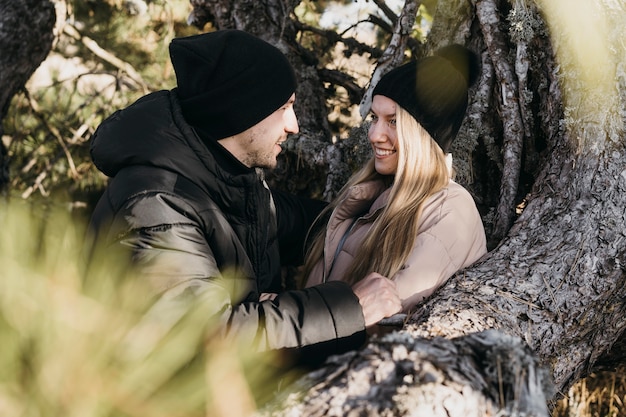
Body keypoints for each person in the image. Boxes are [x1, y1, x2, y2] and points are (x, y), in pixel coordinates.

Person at [87, 30, 401, 358]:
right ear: (242, 111)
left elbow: (321, 225)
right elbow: (206, 338)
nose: (293, 126)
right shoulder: (156, 204)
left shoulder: (231, 182)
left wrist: (388, 200)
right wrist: (352, 309)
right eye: (284, 107)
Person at [302, 45, 488, 313]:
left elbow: (385, 320)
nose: (374, 135)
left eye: (393, 121)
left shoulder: (448, 209)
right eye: (375, 118)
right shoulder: (371, 194)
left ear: (425, 134)